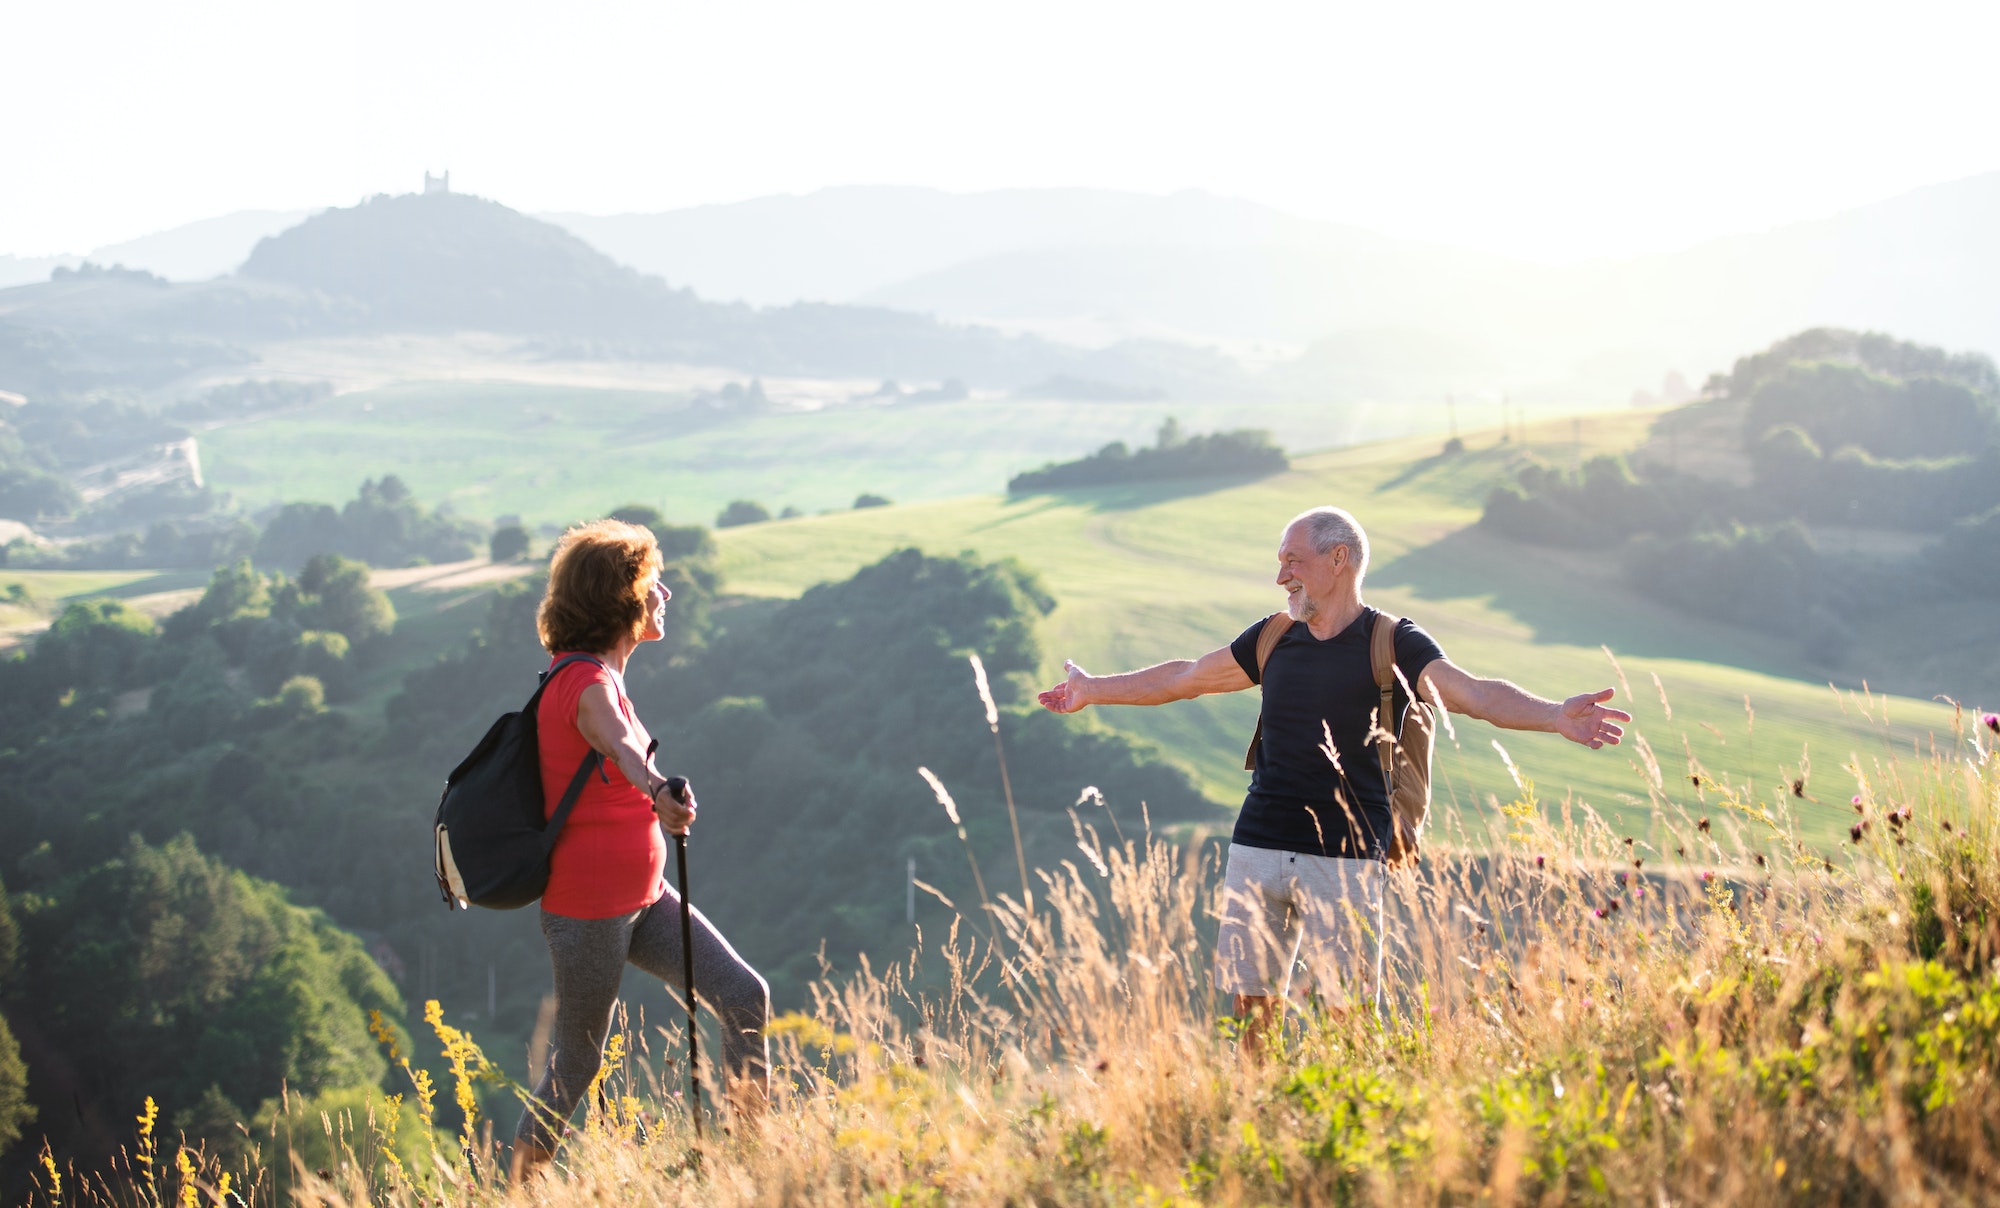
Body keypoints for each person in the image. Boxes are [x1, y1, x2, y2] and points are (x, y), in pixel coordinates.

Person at [1035, 506, 1629, 1046]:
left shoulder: (1391, 642)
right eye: (1279, 564)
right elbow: (1184, 677)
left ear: (1338, 559)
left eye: (1293, 561)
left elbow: (1472, 695)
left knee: (1346, 1022)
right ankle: (1254, 1122)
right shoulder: (1273, 637)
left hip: (1343, 862)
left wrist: (1554, 715)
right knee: (1250, 1020)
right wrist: (1092, 690)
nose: (1281, 577)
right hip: (1256, 848)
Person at [511, 519, 769, 1180]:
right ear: (620, 600)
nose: (667, 595)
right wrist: (657, 787)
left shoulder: (600, 675)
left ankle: (751, 1159)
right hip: (589, 913)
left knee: (743, 994)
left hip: (645, 898)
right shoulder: (584, 685)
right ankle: (513, 1188)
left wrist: (657, 804)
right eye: (653, 584)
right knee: (576, 1063)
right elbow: (618, 745)